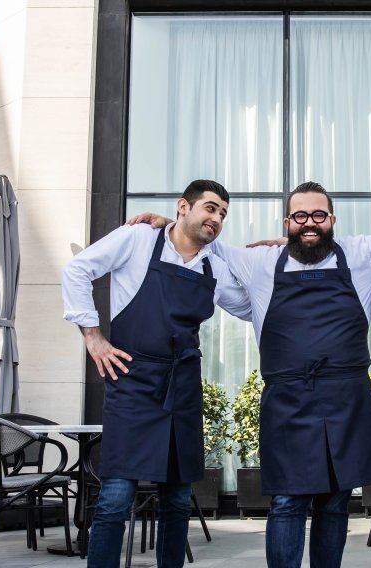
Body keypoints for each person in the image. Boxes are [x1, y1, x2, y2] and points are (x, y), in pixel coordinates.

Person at [130, 181, 371, 568]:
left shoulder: (362, 254)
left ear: (332, 219)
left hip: (348, 398)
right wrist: (169, 223)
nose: (309, 223)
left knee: (336, 500)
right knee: (287, 501)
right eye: (300, 216)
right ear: (287, 221)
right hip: (288, 400)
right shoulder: (259, 262)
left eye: (318, 216)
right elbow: (203, 240)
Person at [62, 180, 250, 568]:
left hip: (182, 386)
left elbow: (249, 307)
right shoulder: (138, 238)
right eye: (210, 208)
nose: (216, 218)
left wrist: (284, 259)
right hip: (132, 380)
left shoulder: (214, 265)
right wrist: (93, 337)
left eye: (223, 214)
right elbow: (77, 270)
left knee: (178, 501)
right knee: (115, 498)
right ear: (184, 206)